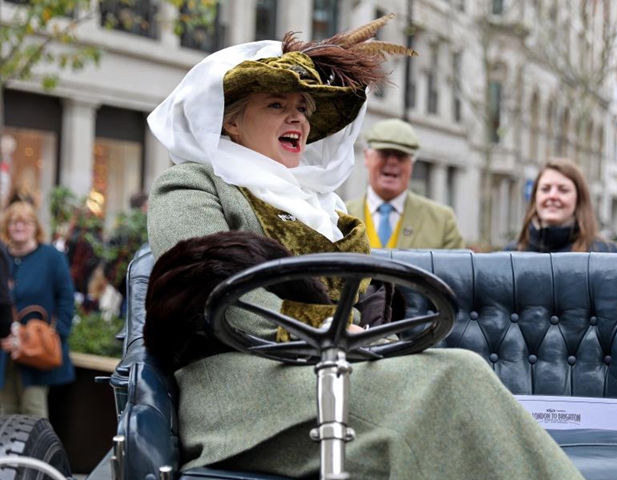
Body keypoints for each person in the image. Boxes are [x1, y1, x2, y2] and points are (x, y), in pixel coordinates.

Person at [144, 15, 584, 480]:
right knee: (455, 380)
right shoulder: (192, 183)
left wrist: (371, 342)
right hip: (243, 392)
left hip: (333, 372)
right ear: (230, 122)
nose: (298, 118)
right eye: (277, 104)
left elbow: (365, 304)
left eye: (304, 108)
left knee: (459, 368)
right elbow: (207, 291)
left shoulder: (323, 208)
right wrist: (328, 332)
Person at [0, 201, 75, 418]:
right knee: (5, 415)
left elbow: (66, 299)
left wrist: (56, 335)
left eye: (26, 221)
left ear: (35, 226)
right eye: (14, 221)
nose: (19, 226)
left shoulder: (51, 257)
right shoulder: (3, 257)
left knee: (33, 414)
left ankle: (34, 454)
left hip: (36, 349)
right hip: (5, 349)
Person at [346, 118, 466, 249]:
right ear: (366, 157)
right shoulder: (339, 215)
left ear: (412, 163)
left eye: (401, 156)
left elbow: (457, 268)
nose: (392, 162)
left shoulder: (442, 221)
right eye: (384, 154)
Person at [508, 158, 617, 253]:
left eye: (563, 190)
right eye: (545, 189)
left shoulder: (605, 254)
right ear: (535, 197)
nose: (552, 196)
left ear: (579, 199)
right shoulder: (512, 254)